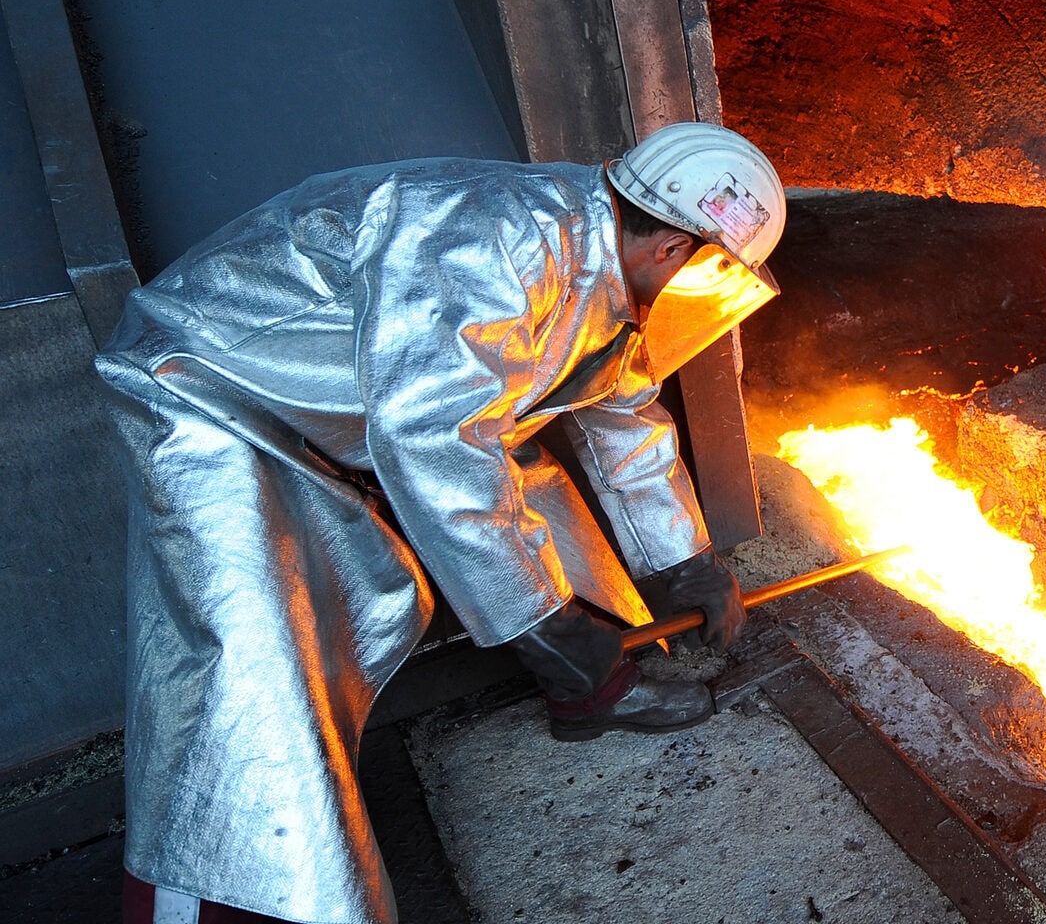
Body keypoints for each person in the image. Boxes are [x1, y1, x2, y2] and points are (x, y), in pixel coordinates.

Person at [97, 123, 786, 924]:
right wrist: (542, 620)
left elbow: (624, 411)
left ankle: (595, 686)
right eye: (703, 277)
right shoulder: (492, 237)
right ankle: (224, 899)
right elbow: (429, 436)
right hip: (203, 388)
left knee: (530, 484)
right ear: (673, 250)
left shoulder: (602, 266)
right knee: (253, 658)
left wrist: (687, 560)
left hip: (335, 403)